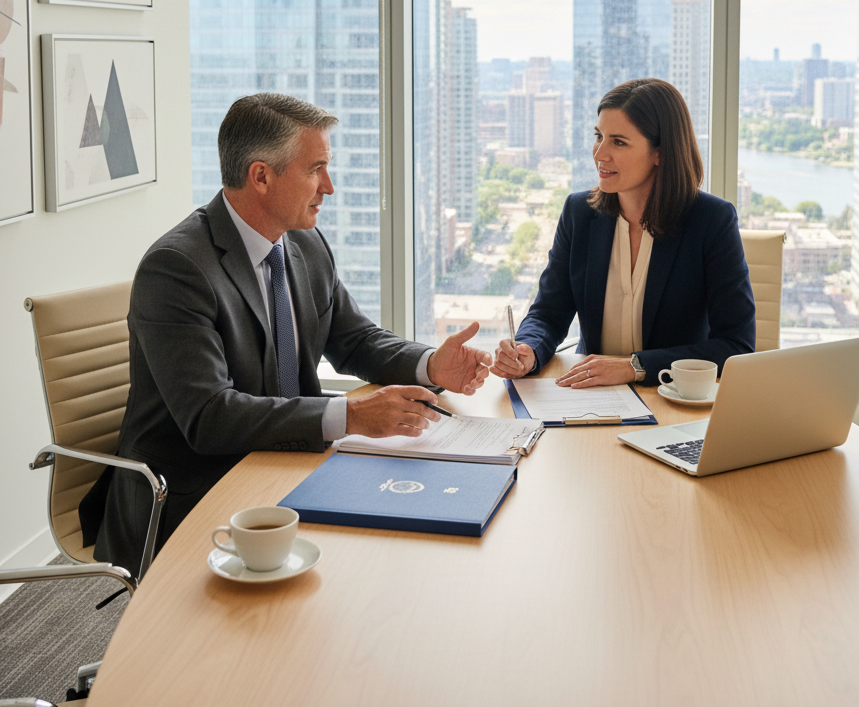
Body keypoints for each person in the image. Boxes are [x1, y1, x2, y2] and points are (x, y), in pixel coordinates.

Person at [84, 94, 490, 571]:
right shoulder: (177, 269)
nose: (330, 187)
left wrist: (429, 364)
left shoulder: (303, 241)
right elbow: (209, 416)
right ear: (261, 176)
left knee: (413, 537)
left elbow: (354, 339)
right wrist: (352, 416)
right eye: (316, 168)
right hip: (192, 489)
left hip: (286, 462)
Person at [492, 78, 755, 388]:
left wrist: (635, 367)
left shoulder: (711, 221)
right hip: (588, 394)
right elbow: (548, 313)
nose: (600, 154)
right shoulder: (579, 213)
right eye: (598, 136)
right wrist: (528, 350)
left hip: (671, 396)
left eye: (618, 141)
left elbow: (735, 345)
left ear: (660, 151)